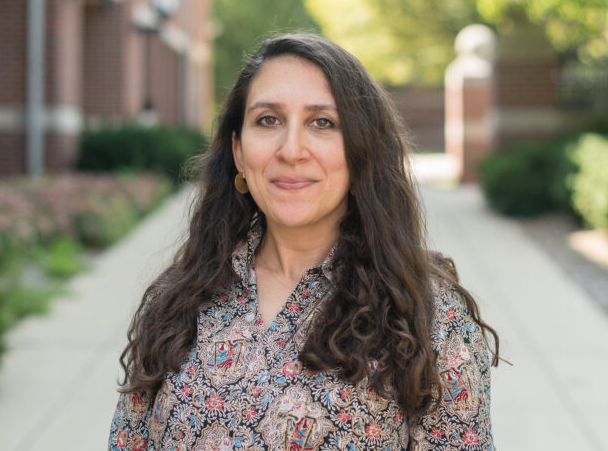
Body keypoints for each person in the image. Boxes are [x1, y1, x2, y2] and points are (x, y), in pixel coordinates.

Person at [109, 33, 500, 450]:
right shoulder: (176, 302)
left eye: (322, 123)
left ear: (359, 150)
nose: (291, 149)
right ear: (238, 151)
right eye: (268, 120)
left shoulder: (430, 317)